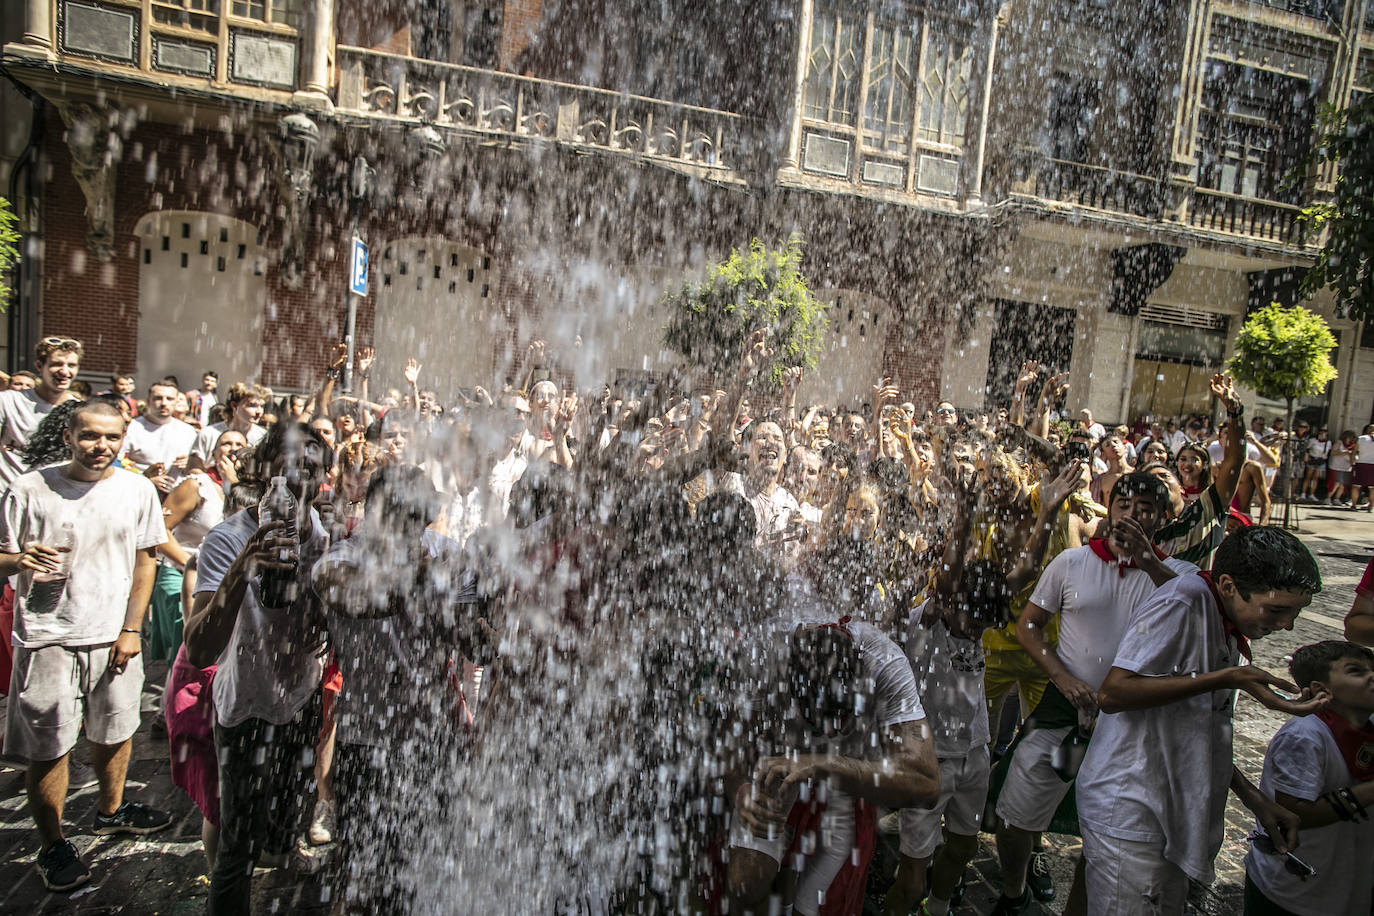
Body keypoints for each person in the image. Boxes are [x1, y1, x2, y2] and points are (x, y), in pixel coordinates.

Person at [1075, 527, 1326, 915]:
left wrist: (1256, 799)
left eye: (1296, 613)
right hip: (1132, 806)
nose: (1287, 626)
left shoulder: (1216, 611)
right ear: (1227, 585)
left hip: (1164, 805)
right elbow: (1114, 693)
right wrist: (1227, 677)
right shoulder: (1183, 602)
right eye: (1277, 611)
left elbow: (1201, 728)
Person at [989, 472, 1193, 916]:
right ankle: (1014, 891)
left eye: (1144, 509)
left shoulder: (1177, 578)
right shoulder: (1072, 563)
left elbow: (1188, 626)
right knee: (1012, 815)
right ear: (1109, 507)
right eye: (1124, 505)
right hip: (1064, 707)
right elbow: (1028, 626)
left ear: (1161, 518)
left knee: (1105, 835)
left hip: (1132, 722)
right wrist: (1062, 677)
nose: (1131, 516)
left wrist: (1149, 562)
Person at [0, 399, 172, 891]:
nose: (102, 447)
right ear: (68, 437)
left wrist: (131, 629)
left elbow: (146, 562)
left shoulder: (136, 488)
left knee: (116, 730)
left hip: (113, 637)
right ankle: (52, 844)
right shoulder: (31, 488)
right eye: (91, 436)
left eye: (112, 437)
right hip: (48, 637)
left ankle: (110, 810)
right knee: (50, 744)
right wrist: (17, 562)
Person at [184, 422, 334, 914]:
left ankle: (287, 849)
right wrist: (242, 567)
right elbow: (200, 648)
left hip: (301, 702)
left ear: (325, 474)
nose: (303, 464)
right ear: (267, 468)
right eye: (291, 456)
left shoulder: (321, 535)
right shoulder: (229, 538)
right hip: (247, 707)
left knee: (288, 818)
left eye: (314, 457)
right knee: (238, 849)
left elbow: (323, 612)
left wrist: (329, 621)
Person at [726, 616, 941, 916]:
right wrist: (739, 790)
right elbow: (724, 744)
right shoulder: (764, 651)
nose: (827, 733)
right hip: (774, 769)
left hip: (846, 787)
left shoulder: (884, 662)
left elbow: (927, 784)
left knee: (823, 906)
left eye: (839, 720)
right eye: (815, 722)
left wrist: (824, 765)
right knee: (745, 887)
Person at [1242, 640, 1374, 916]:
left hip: (1346, 881)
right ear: (1320, 689)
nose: (1371, 676)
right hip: (1295, 892)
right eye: (1356, 671)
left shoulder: (1367, 725)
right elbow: (1293, 812)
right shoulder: (1305, 736)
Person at [0, 337, 82, 490]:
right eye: (56, 364)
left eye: (71, 365)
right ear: (39, 366)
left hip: (51, 498)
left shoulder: (80, 411)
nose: (65, 371)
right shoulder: (8, 401)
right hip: (6, 496)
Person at [122, 378, 198, 484]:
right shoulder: (131, 428)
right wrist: (146, 480)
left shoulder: (188, 431)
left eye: (169, 399)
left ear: (176, 401)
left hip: (175, 493)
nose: (164, 403)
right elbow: (119, 463)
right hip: (138, 489)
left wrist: (189, 463)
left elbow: (197, 467)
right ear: (148, 400)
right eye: (158, 398)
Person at [186, 382, 268, 472]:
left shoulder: (263, 436)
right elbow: (193, 470)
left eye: (262, 406)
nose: (259, 411)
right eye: (252, 405)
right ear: (234, 406)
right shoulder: (208, 433)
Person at [1325, 430, 1356, 506]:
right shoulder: (1339, 443)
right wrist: (1344, 452)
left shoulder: (1353, 446)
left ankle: (1337, 498)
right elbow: (1332, 453)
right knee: (1336, 483)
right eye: (1352, 437)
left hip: (1346, 467)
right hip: (1336, 466)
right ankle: (1328, 498)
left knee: (1342, 485)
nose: (1353, 439)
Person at [1347, 424, 1374, 511]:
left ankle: (1354, 505)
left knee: (1356, 486)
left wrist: (1352, 463)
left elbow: (1354, 452)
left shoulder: (1361, 438)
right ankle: (1371, 506)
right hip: (1373, 464)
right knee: (1372, 487)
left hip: (1361, 463)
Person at [1299, 427, 1329, 502]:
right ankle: (1303, 493)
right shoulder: (1313, 441)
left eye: (1325, 431)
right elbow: (1307, 449)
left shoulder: (1328, 442)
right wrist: (1307, 457)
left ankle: (1312, 494)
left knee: (1315, 478)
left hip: (1321, 461)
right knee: (1308, 477)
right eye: (1321, 431)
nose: (1323, 433)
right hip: (1313, 459)